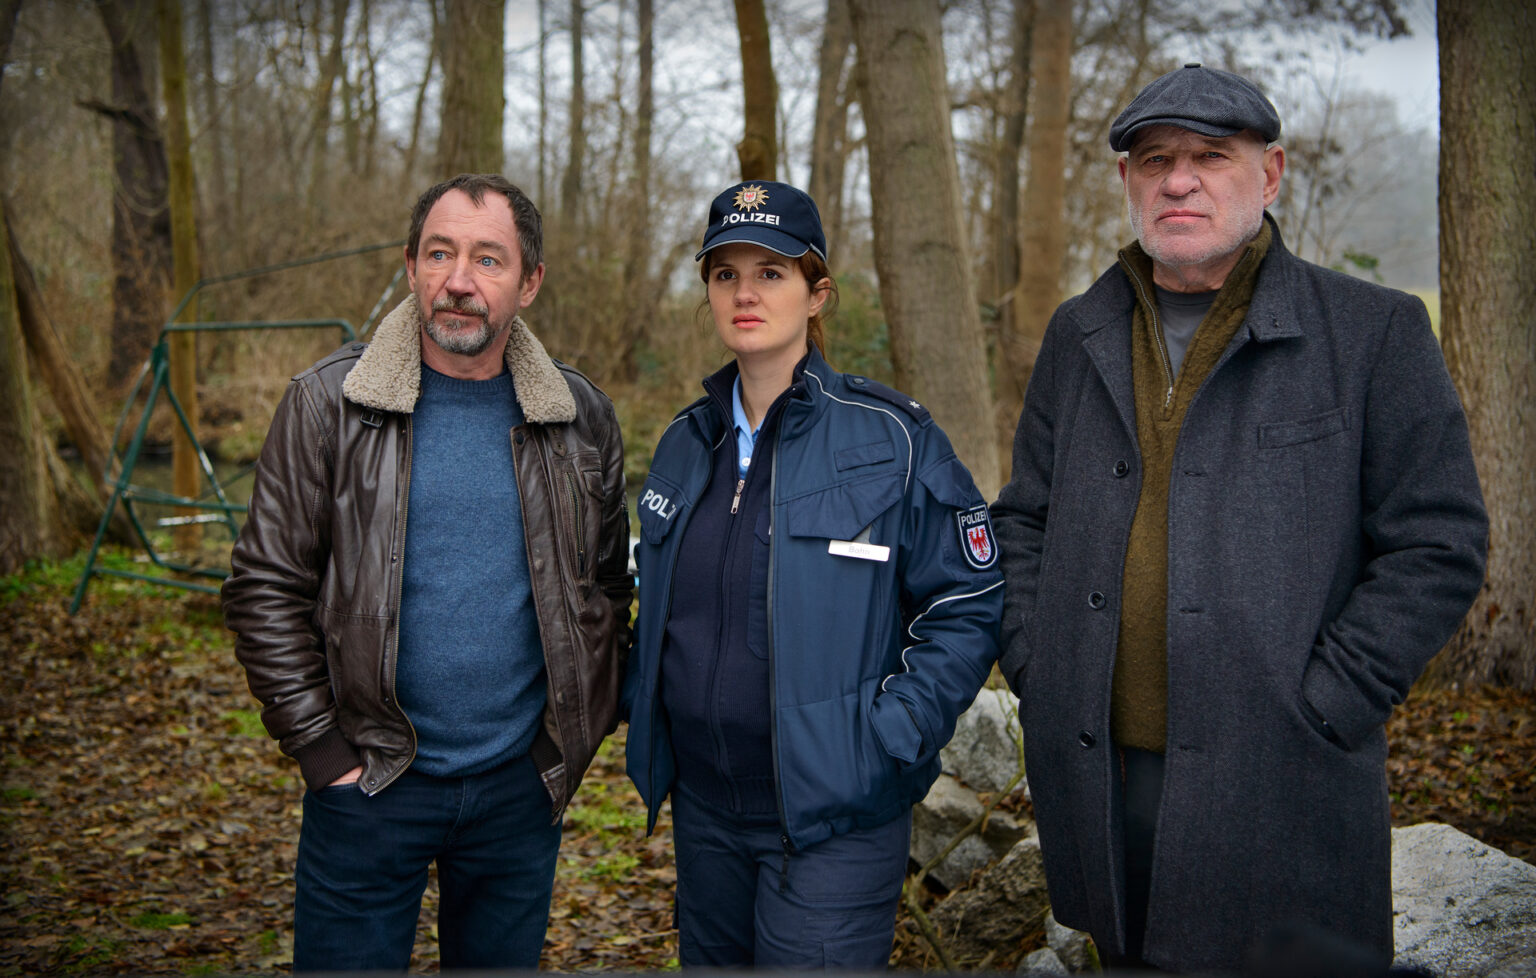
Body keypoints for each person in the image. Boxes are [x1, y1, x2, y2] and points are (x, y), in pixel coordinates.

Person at [990, 64, 1488, 973]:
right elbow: (1024, 518)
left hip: (1287, 778)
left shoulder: (1371, 332)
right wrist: (1040, 662)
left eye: (1211, 157)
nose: (1178, 180)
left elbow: (1438, 540)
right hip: (1111, 774)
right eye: (1155, 159)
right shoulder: (1079, 332)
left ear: (1270, 174)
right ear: (1127, 182)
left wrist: (1333, 701)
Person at [221, 173, 632, 972]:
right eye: (440, 253)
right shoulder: (325, 404)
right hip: (371, 782)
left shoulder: (581, 419)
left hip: (519, 791)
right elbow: (264, 587)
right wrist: (321, 752)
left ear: (530, 282)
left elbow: (605, 591)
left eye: (488, 259)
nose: (459, 281)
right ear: (410, 265)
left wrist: (575, 734)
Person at [624, 181, 1002, 967]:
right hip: (704, 815)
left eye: (771, 272)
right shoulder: (683, 444)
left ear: (816, 291)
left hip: (831, 821)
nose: (745, 293)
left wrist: (888, 736)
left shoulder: (892, 438)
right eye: (725, 274)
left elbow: (967, 601)